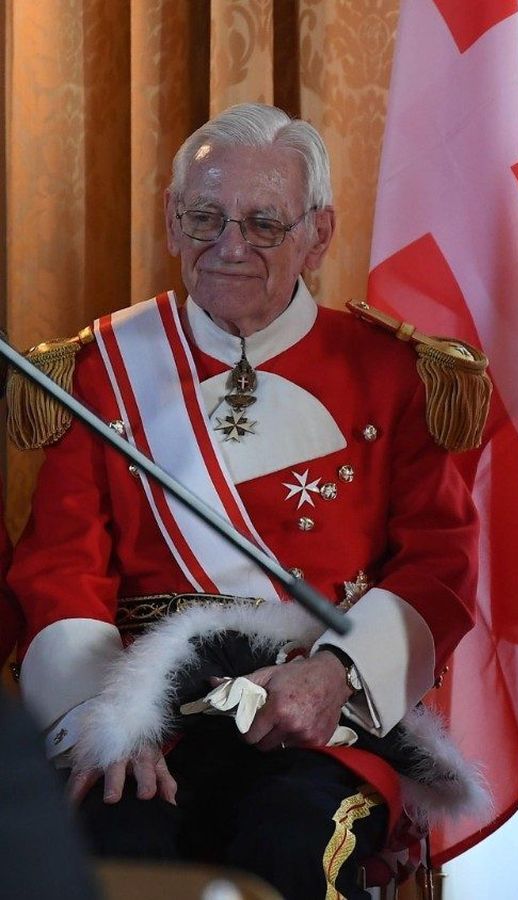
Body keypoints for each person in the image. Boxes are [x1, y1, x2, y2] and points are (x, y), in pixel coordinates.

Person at [6, 103, 488, 900]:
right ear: (171, 219)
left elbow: (438, 566)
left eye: (264, 224)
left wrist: (337, 673)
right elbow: (60, 565)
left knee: (291, 837)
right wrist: (105, 724)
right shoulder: (99, 370)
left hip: (320, 714)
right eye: (204, 217)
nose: (229, 247)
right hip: (143, 710)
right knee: (117, 841)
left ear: (318, 233)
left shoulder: (395, 372)